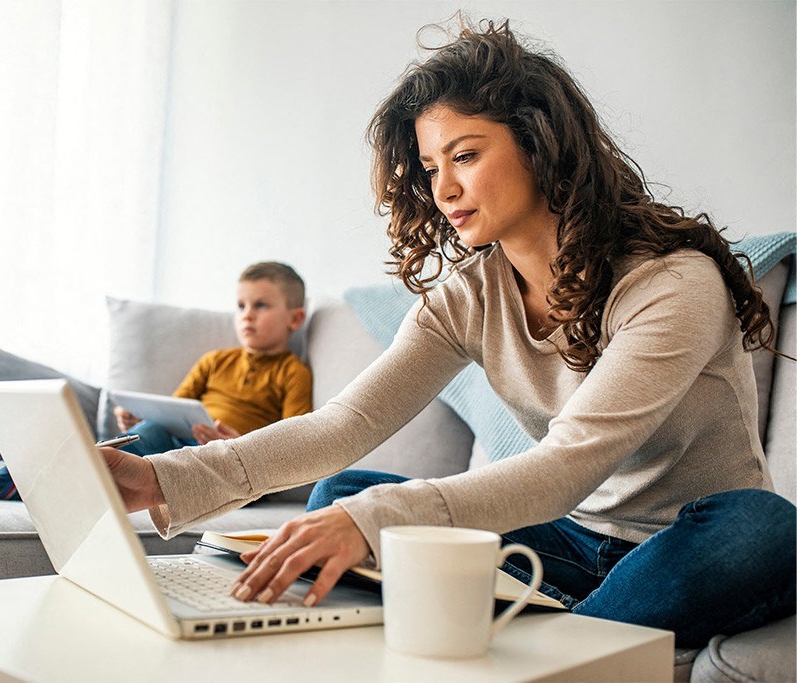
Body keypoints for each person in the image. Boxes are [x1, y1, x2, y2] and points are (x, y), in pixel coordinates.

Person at [101, 20, 796, 646]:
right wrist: (162, 474)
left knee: (760, 529)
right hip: (571, 539)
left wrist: (376, 520)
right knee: (342, 490)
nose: (443, 189)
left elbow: (567, 466)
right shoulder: (469, 295)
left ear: (540, 143)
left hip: (690, 538)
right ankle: (564, 621)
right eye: (432, 167)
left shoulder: (672, 284)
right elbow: (345, 423)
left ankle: (561, 635)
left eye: (465, 155)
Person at [114, 261, 312, 455]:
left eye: (260, 305)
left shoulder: (294, 373)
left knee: (209, 459)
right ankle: (108, 460)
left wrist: (240, 447)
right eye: (241, 306)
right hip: (176, 439)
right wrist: (138, 419)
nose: (247, 315)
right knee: (150, 430)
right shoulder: (215, 360)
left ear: (295, 319)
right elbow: (173, 410)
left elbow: (293, 443)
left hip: (228, 455)